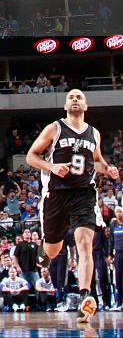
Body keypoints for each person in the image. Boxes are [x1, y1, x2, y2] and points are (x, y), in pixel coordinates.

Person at [26, 88, 119, 326]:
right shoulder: (54, 129)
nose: (75, 99)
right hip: (56, 195)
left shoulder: (94, 134)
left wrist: (108, 169)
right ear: (66, 105)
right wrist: (51, 167)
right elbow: (31, 156)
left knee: (85, 243)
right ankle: (42, 257)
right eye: (71, 97)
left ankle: (86, 296)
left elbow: (96, 160)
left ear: (85, 106)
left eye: (79, 97)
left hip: (84, 194)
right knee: (53, 251)